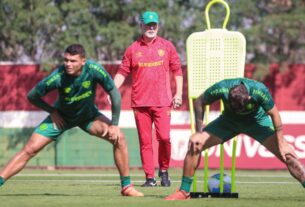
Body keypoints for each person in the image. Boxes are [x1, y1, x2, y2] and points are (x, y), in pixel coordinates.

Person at [0, 44, 143, 197]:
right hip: (62, 118)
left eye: (73, 61)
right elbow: (32, 96)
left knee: (119, 138)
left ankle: (127, 187)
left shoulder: (94, 69)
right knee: (29, 149)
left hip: (88, 117)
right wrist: (53, 111)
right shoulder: (58, 76)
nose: (68, 64)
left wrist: (114, 124)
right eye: (66, 60)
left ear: (83, 61)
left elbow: (114, 94)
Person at [165, 77, 305, 200]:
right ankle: (184, 191)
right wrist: (199, 132)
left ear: (249, 98)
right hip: (228, 122)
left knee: (288, 155)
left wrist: (281, 142)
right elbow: (200, 101)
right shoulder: (222, 88)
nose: (239, 111)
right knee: (195, 144)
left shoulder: (259, 90)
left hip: (257, 122)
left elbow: (275, 115)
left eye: (241, 108)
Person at [113, 11, 183, 187]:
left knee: (165, 138)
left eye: (154, 25)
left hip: (163, 102)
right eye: (148, 25)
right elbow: (122, 72)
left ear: (158, 26)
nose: (151, 28)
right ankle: (149, 178)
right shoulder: (132, 49)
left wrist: (179, 93)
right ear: (141, 26)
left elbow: (178, 71)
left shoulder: (167, 46)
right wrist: (111, 90)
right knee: (145, 143)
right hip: (140, 103)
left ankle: (164, 171)